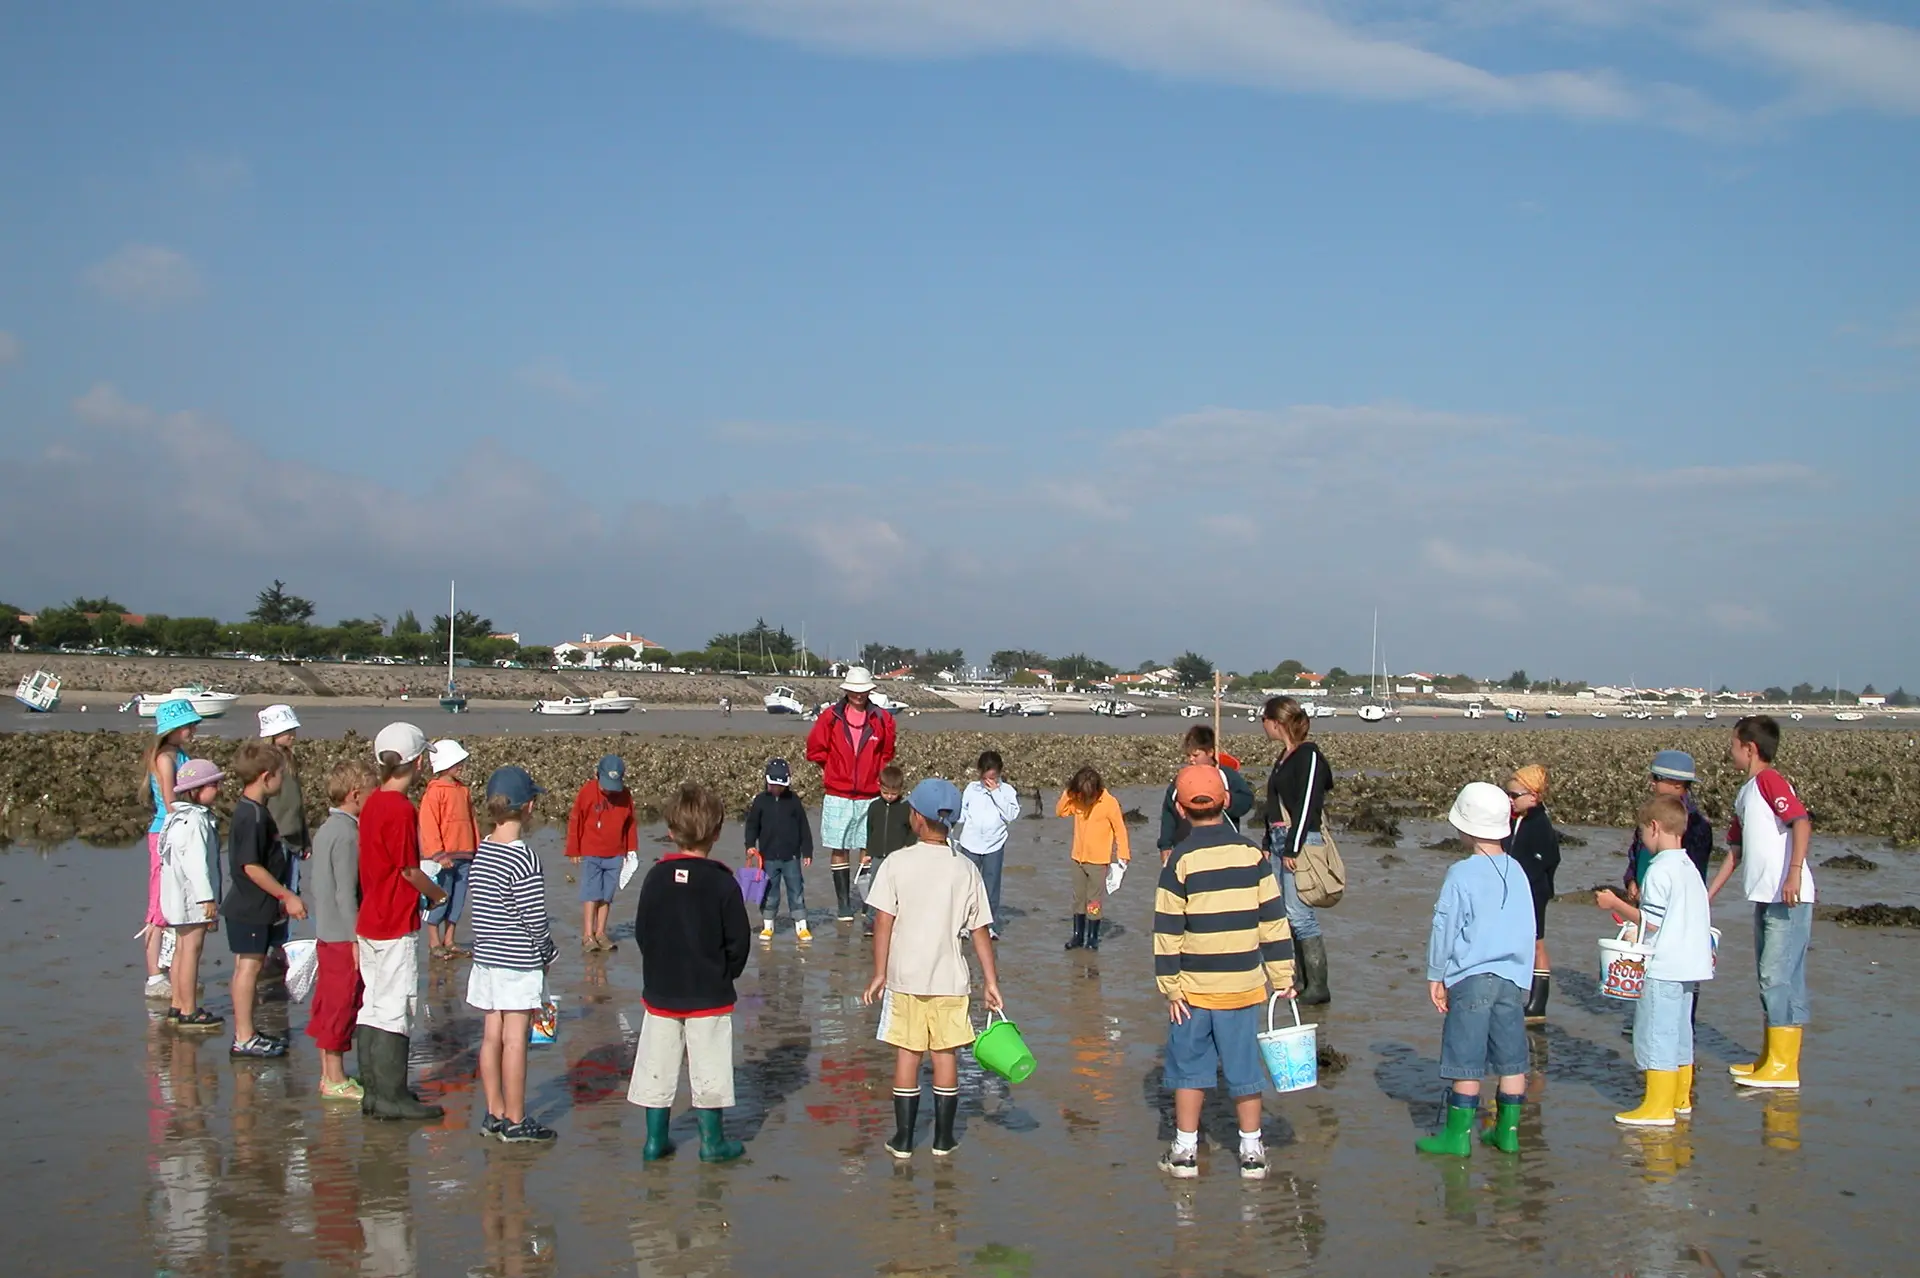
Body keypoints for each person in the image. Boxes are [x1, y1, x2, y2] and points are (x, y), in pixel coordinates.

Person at [1153, 765, 1295, 1181]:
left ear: (1179, 809)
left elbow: (1166, 931)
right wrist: (1283, 976)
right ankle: (1251, 1150)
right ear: (1228, 802)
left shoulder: (1179, 860)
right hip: (1243, 987)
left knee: (1189, 1070)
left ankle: (1185, 1149)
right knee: (1245, 1070)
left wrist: (1170, 988)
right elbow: (1273, 920)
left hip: (1193, 992)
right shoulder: (1253, 856)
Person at [861, 778, 1003, 1159]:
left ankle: (904, 1140)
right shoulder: (966, 869)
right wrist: (990, 981)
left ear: (916, 818)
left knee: (908, 1053)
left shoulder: (896, 863)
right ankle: (943, 1139)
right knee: (945, 1055)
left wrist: (879, 973)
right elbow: (980, 931)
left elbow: (883, 922)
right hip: (950, 979)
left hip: (905, 977)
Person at [628, 783, 752, 1163]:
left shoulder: (655, 878)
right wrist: (725, 973)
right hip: (709, 993)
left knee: (656, 1065)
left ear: (670, 831)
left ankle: (655, 1140)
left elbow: (642, 932)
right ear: (716, 833)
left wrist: (658, 966)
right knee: (710, 1067)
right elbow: (739, 940)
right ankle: (711, 1143)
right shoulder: (722, 882)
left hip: (662, 991)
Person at [1416, 782, 1536, 1157]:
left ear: (1466, 827)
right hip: (1513, 979)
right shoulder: (1517, 870)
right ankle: (1508, 1131)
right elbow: (1528, 926)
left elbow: (1444, 928)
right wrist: (1525, 976)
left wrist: (1436, 974)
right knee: (1512, 1059)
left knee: (1466, 1063)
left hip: (1471, 979)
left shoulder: (1461, 874)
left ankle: (1456, 1139)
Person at [1707, 715, 1814, 1091]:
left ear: (1749, 748)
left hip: (1788, 895)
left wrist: (1794, 873)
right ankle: (1772, 1058)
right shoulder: (1745, 792)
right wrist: (1708, 895)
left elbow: (1800, 821)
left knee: (1777, 976)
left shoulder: (1769, 781)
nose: (1729, 751)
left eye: (1733, 744)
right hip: (1764, 897)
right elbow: (1735, 852)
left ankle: (1784, 1067)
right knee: (1775, 977)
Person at [1595, 796, 1715, 1126]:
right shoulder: (1689, 867)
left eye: (1641, 834)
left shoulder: (1660, 871)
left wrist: (1615, 904)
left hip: (1664, 965)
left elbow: (1652, 922)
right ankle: (1680, 1099)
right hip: (1690, 964)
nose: (1642, 842)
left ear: (1654, 827)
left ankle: (1657, 1106)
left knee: (1656, 1033)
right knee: (1679, 1034)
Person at [356, 722, 449, 1121]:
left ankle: (373, 1091)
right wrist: (437, 893)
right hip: (395, 919)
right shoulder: (401, 809)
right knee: (397, 1007)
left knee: (372, 1006)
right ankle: (392, 1094)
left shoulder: (373, 801)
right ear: (417, 762)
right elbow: (409, 870)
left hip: (369, 917)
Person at [469, 765, 558, 1144]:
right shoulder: (524, 859)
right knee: (516, 1039)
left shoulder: (483, 851)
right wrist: (548, 953)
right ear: (529, 807)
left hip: (486, 957)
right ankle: (518, 1120)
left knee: (492, 1036)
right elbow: (535, 918)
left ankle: (494, 1111)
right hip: (518, 960)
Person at [222, 740, 306, 1059]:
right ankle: (244, 1037)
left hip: (253, 904)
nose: (282, 781)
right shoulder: (252, 816)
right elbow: (251, 866)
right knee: (248, 969)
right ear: (266, 776)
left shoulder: (253, 810)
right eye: (280, 775)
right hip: (250, 904)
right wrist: (287, 895)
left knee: (249, 967)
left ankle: (248, 1032)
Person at [306, 758, 376, 1102]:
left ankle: (329, 1073)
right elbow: (346, 893)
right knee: (342, 1004)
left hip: (325, 931)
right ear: (355, 794)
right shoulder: (348, 834)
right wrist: (356, 939)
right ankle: (334, 1077)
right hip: (341, 935)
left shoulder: (324, 829)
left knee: (328, 1002)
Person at [805, 665, 897, 923]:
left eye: (863, 691)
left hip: (869, 794)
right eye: (854, 691)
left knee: (869, 848)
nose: (858, 695)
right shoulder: (830, 717)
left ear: (870, 691)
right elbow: (815, 749)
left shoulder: (882, 719)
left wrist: (874, 775)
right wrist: (834, 769)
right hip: (838, 793)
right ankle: (844, 904)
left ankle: (869, 902)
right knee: (839, 846)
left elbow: (887, 753)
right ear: (846, 691)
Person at [1258, 697, 1335, 1004]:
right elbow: (1273, 806)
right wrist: (1267, 843)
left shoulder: (1309, 756)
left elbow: (1307, 805)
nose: (1262, 725)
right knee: (1285, 915)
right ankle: (1301, 981)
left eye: (1264, 719)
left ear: (1277, 722)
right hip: (1279, 841)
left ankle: (1318, 987)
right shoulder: (1283, 757)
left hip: (1300, 841)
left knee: (1300, 915)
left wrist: (1292, 847)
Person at [157, 758, 226, 1031]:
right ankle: (189, 1010)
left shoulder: (175, 817)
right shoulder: (195, 821)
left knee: (181, 949)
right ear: (196, 790)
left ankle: (177, 1003)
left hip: (176, 896)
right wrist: (206, 898)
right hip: (191, 897)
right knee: (191, 950)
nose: (218, 789)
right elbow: (197, 863)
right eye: (213, 784)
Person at [142, 699, 202, 999]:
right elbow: (169, 801)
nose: (193, 730)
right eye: (189, 726)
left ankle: (173, 967)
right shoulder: (166, 758)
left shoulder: (180, 754)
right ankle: (154, 975)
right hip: (165, 833)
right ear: (174, 730)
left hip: (178, 829)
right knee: (159, 907)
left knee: (179, 901)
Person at [1502, 765, 1561, 1025]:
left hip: (1533, 891)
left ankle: (1538, 1002)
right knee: (1514, 940)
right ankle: (1513, 993)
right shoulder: (1518, 820)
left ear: (1534, 796)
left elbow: (1547, 860)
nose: (1510, 800)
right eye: (1508, 794)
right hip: (1516, 889)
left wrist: (1527, 885)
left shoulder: (1539, 824)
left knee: (1537, 943)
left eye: (1515, 795)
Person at [259, 705, 310, 982]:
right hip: (275, 837)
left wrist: (305, 837)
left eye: (292, 730)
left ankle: (280, 945)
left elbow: (298, 805)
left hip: (292, 837)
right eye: (287, 731)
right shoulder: (268, 763)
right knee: (277, 893)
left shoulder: (291, 761)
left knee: (291, 890)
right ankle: (270, 946)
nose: (292, 735)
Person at [566, 755, 637, 953]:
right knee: (591, 894)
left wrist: (631, 850)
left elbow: (630, 824)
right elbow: (575, 820)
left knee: (607, 896)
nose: (609, 790)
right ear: (597, 775)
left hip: (615, 853)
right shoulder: (587, 792)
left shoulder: (625, 795)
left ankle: (601, 932)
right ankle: (587, 934)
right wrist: (574, 849)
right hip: (591, 852)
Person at [1056, 765, 1129, 951]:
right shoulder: (1077, 799)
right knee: (1078, 899)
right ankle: (1077, 936)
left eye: (1088, 796)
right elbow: (1060, 811)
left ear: (1096, 792)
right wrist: (1069, 791)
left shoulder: (1109, 803)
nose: (1085, 800)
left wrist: (1123, 856)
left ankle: (1092, 937)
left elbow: (1120, 830)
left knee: (1093, 901)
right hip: (1077, 859)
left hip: (1098, 861)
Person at [1157, 725, 1254, 863]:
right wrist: (1165, 845)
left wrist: (1231, 801)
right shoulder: (1182, 780)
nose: (1191, 759)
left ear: (1210, 752)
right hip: (1187, 848)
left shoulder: (1225, 775)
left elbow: (1247, 800)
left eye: (1196, 755)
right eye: (1188, 755)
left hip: (1224, 847)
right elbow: (1168, 812)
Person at [419, 739, 479, 961]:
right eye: (457, 762)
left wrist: (477, 848)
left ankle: (450, 939)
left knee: (458, 899)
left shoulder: (463, 790)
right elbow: (428, 824)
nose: (461, 766)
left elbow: (472, 820)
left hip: (465, 853)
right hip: (442, 858)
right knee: (440, 897)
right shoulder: (435, 792)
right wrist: (438, 853)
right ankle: (434, 941)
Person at [1624, 751, 1715, 894]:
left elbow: (1693, 868)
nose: (1652, 782)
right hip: (1644, 894)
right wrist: (1631, 880)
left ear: (1678, 784)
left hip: (1673, 898)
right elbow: (1635, 851)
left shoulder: (1696, 825)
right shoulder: (1651, 811)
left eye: (1657, 778)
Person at [744, 757, 812, 942]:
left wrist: (807, 851)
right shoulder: (760, 801)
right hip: (768, 857)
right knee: (770, 893)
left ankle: (801, 926)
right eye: (773, 785)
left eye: (780, 785)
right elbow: (752, 826)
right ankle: (768, 925)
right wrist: (750, 845)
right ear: (767, 782)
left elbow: (803, 827)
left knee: (796, 891)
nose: (776, 789)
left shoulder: (793, 801)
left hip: (791, 857)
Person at [956, 750, 1021, 937]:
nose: (988, 781)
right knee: (967, 885)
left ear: (999, 773)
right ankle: (965, 924)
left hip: (994, 844)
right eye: (985, 777)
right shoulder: (971, 788)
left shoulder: (1007, 791)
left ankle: (988, 925)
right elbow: (963, 813)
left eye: (993, 777)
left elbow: (1011, 815)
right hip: (970, 843)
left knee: (990, 886)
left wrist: (996, 792)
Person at [862, 764, 915, 935]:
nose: (890, 797)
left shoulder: (905, 808)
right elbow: (870, 830)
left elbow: (912, 830)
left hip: (898, 857)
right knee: (875, 889)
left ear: (901, 790)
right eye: (886, 793)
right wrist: (867, 852)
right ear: (879, 787)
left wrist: (908, 846)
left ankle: (898, 921)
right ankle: (871, 922)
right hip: (877, 856)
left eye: (894, 793)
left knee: (899, 889)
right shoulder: (874, 807)